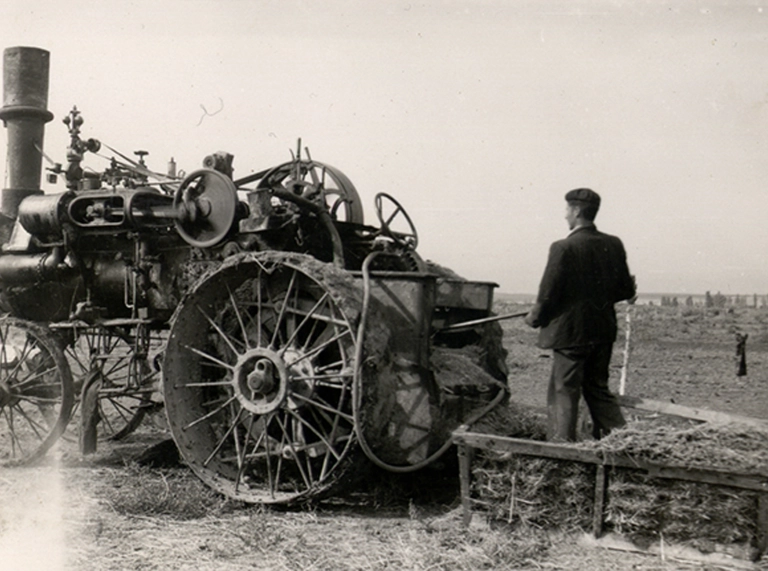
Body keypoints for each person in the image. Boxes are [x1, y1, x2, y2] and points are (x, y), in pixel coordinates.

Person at [525, 188, 636, 442]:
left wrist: (534, 317)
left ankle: (561, 449)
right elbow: (625, 290)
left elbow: (547, 294)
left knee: (564, 390)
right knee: (597, 389)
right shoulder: (613, 244)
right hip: (602, 331)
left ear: (575, 211)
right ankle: (625, 442)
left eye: (567, 210)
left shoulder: (563, 247)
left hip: (570, 335)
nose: (565, 216)